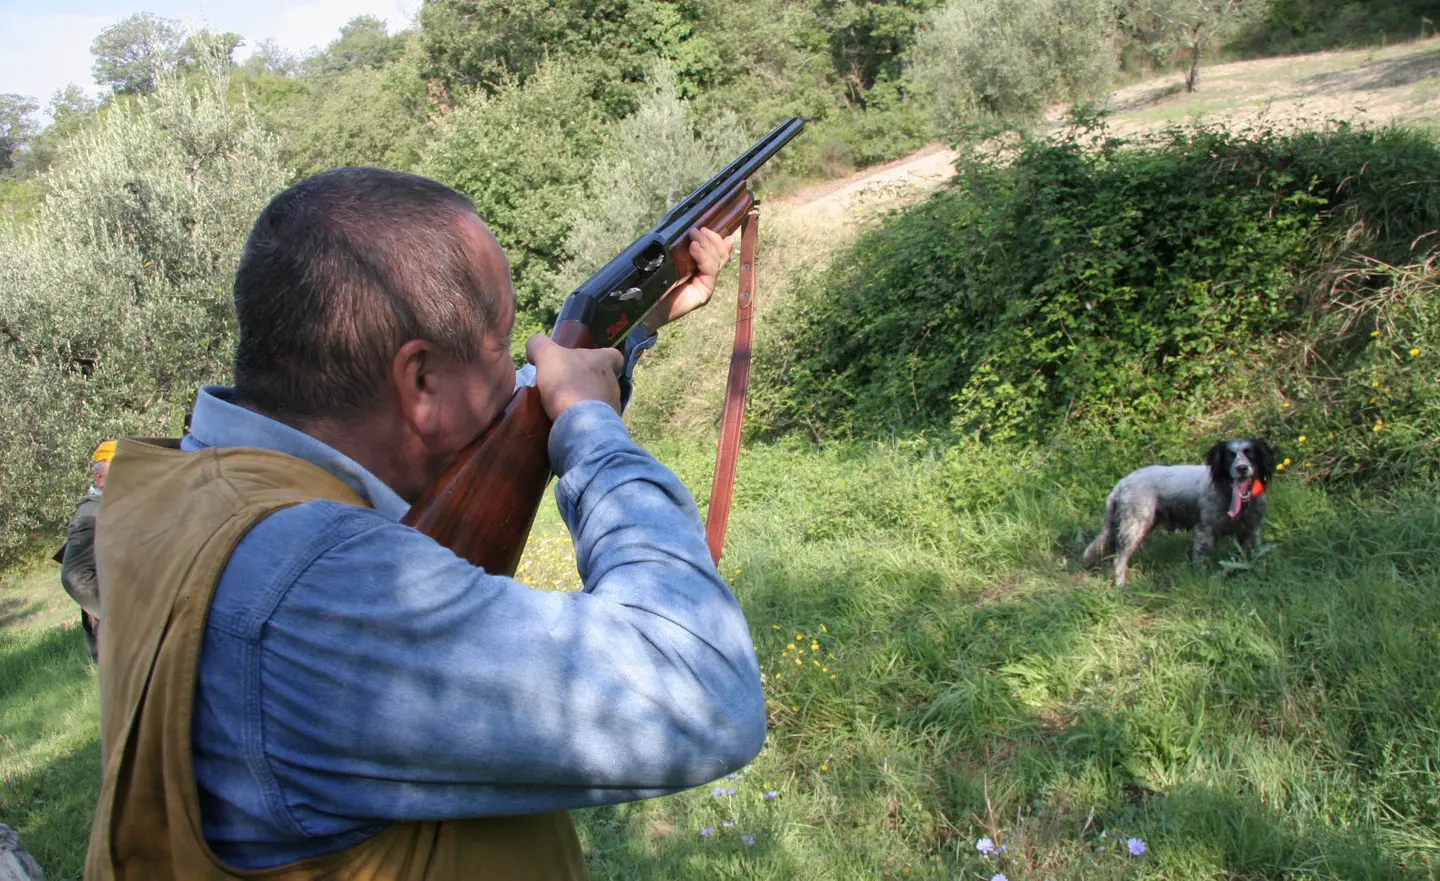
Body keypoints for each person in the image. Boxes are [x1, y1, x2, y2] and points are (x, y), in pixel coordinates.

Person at [85, 167, 765, 881]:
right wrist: (592, 429)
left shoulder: (184, 491)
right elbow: (704, 691)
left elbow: (515, 398)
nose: (519, 371)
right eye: (504, 343)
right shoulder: (312, 586)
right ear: (417, 382)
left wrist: (637, 326)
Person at [59, 439, 114, 664]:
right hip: (114, 641)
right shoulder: (89, 516)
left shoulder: (114, 505)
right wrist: (117, 618)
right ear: (99, 478)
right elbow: (74, 576)